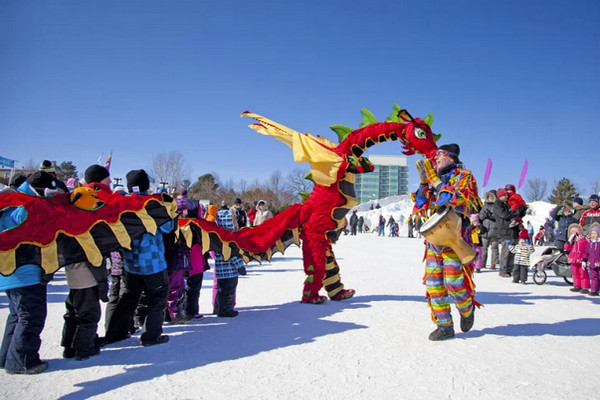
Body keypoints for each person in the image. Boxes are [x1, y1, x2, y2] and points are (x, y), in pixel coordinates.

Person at [413, 144, 482, 341]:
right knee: (434, 284)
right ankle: (444, 326)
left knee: (453, 282)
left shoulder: (464, 176)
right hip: (435, 239)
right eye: (435, 156)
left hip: (454, 237)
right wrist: (423, 183)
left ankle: (467, 309)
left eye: (440, 155)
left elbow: (450, 199)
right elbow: (420, 204)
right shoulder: (435, 179)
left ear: (451, 157)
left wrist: (434, 180)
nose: (435, 159)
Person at [0, 172, 65, 374]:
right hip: (25, 273)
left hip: (11, 273)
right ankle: (23, 361)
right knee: (31, 316)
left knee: (17, 315)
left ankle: (7, 357)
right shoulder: (28, 207)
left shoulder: (14, 204)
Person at [104, 169, 175, 346]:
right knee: (158, 297)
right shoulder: (152, 204)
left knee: (129, 296)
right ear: (147, 184)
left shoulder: (122, 205)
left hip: (130, 262)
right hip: (153, 263)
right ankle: (151, 335)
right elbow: (168, 227)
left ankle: (116, 333)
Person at [212, 205, 244, 317]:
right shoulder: (229, 238)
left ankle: (219, 308)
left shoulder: (217, 237)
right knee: (229, 292)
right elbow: (233, 254)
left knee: (221, 291)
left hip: (220, 272)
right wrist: (240, 266)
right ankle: (226, 310)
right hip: (230, 271)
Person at [493, 188, 521, 278]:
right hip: (505, 231)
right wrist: (516, 213)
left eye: (506, 195)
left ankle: (510, 269)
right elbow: (504, 215)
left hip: (512, 231)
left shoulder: (506, 204)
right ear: (500, 196)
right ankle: (503, 270)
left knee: (512, 251)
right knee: (506, 252)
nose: (506, 196)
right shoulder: (497, 205)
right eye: (504, 195)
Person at [564, 224, 590, 294]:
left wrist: (586, 258)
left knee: (583, 273)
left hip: (581, 259)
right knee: (575, 273)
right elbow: (566, 248)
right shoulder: (572, 241)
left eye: (575, 232)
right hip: (573, 259)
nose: (574, 234)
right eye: (572, 233)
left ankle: (585, 287)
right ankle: (577, 285)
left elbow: (587, 248)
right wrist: (569, 240)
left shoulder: (583, 240)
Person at [478, 190, 499, 269]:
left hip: (495, 229)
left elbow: (498, 216)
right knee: (484, 247)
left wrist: (491, 216)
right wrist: (484, 215)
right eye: (489, 196)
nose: (490, 198)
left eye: (492, 196)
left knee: (494, 247)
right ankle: (483, 263)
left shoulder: (497, 205)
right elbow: (480, 216)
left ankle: (494, 263)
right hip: (485, 229)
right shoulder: (485, 205)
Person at [582, 224, 600, 296]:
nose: (593, 235)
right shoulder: (591, 244)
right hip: (592, 263)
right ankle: (594, 290)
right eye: (592, 233)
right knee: (593, 277)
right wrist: (584, 260)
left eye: (595, 233)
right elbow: (586, 252)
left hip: (598, 263)